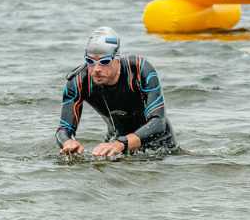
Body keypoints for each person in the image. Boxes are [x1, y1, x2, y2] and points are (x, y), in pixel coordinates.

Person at [56, 27, 176, 156]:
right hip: (115, 143)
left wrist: (121, 144)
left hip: (159, 147)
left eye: (104, 62)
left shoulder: (139, 70)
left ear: (117, 59)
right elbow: (64, 129)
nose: (96, 69)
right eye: (90, 61)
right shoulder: (78, 80)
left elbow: (158, 123)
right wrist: (68, 142)